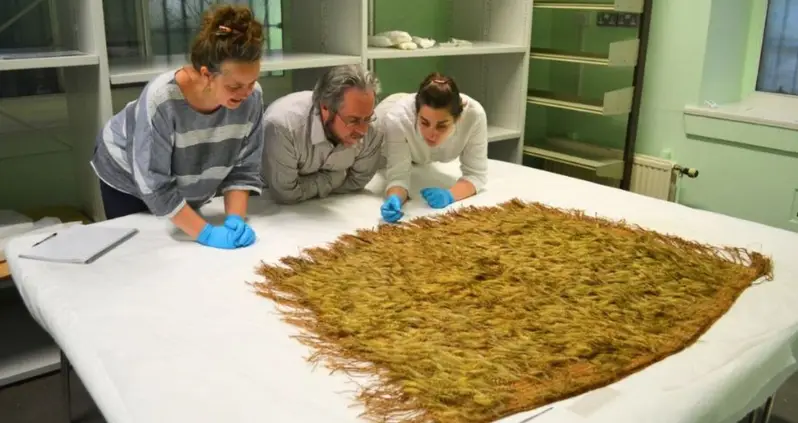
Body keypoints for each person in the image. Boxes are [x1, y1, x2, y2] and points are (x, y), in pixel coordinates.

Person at [90, 5, 265, 250]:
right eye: (235, 86)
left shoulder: (252, 97)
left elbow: (243, 167)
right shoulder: (161, 99)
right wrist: (206, 234)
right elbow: (156, 186)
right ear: (206, 75)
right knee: (139, 255)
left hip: (179, 172)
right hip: (127, 175)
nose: (246, 93)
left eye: (252, 82)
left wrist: (234, 218)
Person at [261, 64, 384, 204]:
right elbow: (285, 193)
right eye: (353, 120)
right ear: (325, 108)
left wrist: (309, 184)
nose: (363, 131)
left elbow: (357, 183)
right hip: (269, 203)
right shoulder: (282, 127)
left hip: (335, 202)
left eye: (368, 118)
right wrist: (336, 177)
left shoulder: (374, 128)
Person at [376, 72, 488, 223]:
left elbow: (477, 174)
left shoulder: (474, 115)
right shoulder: (398, 119)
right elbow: (398, 176)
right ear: (416, 114)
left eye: (442, 126)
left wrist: (450, 195)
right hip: (382, 122)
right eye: (424, 123)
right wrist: (394, 198)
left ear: (458, 118)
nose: (432, 134)